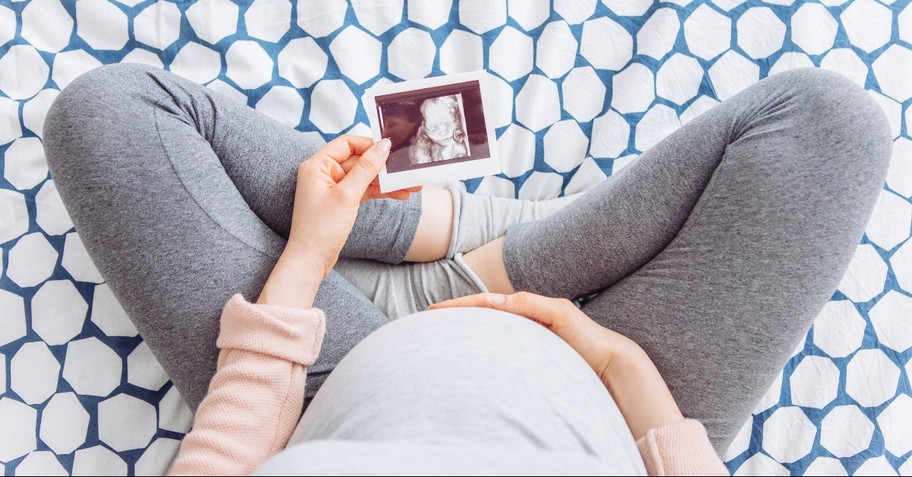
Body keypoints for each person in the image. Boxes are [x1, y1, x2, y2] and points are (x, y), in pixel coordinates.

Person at [43, 64, 891, 476]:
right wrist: (611, 358)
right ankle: (489, 247)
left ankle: (435, 238)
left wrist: (306, 260)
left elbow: (222, 462)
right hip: (619, 386)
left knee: (110, 117)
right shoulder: (617, 368)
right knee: (829, 124)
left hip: (318, 380)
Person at [411, 94, 470, 165]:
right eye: (434, 129)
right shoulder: (424, 147)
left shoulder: (459, 145)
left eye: (448, 125)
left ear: (457, 119)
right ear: (423, 130)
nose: (443, 134)